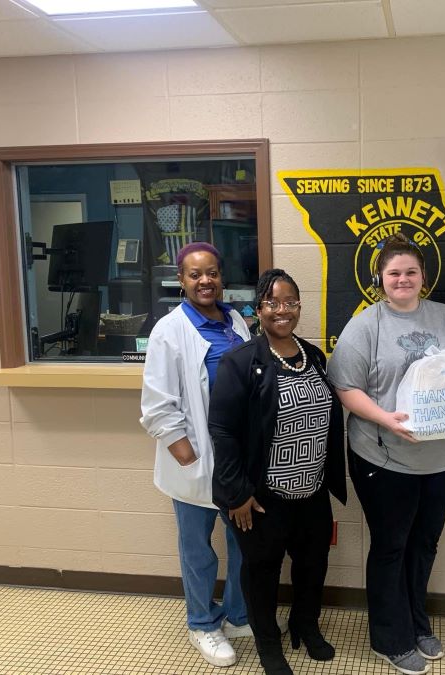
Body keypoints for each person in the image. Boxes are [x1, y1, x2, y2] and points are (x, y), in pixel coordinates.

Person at [327, 233, 445, 675]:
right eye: (394, 273)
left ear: (423, 276)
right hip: (383, 458)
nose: (403, 279)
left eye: (411, 271)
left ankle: (416, 621)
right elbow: (345, 388)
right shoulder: (366, 325)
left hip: (441, 460)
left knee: (425, 543)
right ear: (380, 279)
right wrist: (387, 419)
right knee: (391, 546)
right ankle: (389, 638)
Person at [209, 268, 347, 675]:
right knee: (262, 574)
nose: (281, 310)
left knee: (312, 566)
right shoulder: (240, 362)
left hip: (312, 493)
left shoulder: (314, 355)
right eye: (272, 302)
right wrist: (236, 494)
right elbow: (223, 430)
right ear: (258, 309)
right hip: (262, 498)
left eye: (290, 302)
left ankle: (305, 625)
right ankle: (269, 643)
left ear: (299, 306)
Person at [139, 242, 252, 668]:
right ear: (181, 280)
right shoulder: (170, 330)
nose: (205, 281)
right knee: (198, 549)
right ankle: (203, 624)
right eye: (194, 274)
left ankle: (239, 616)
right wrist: (186, 455)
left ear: (221, 276)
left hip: (236, 456)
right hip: (197, 459)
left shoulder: (236, 320)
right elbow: (156, 403)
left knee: (244, 540)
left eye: (212, 273)